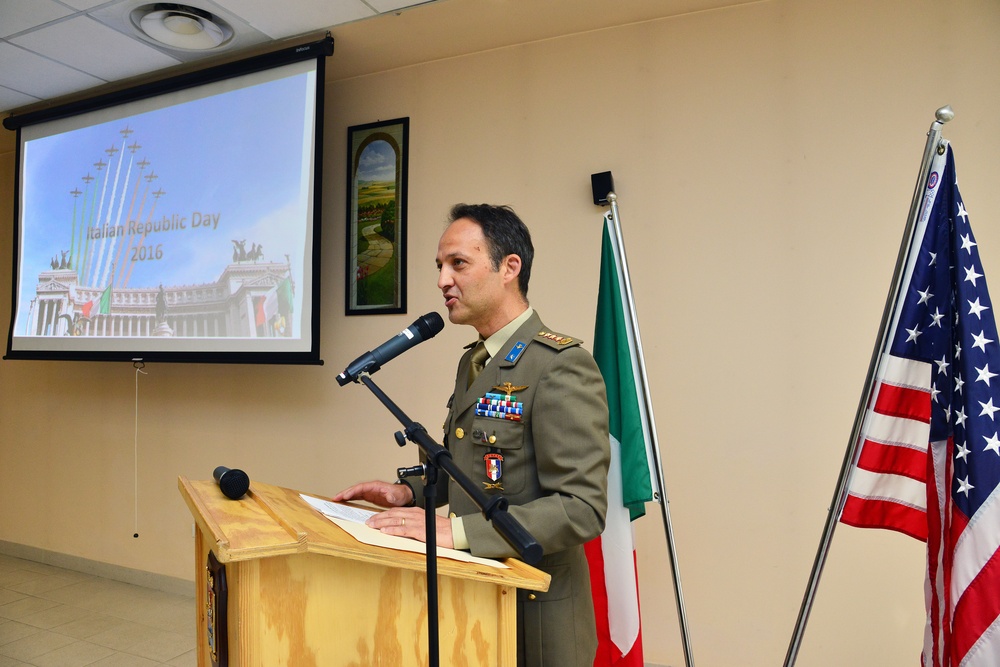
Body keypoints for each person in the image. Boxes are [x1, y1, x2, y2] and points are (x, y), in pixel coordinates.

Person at [335, 203, 610, 666]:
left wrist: (456, 531)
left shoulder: (560, 365)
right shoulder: (475, 361)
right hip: (473, 602)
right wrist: (409, 493)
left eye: (458, 264)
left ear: (509, 267)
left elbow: (582, 508)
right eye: (440, 266)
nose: (443, 280)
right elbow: (478, 471)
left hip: (535, 614)